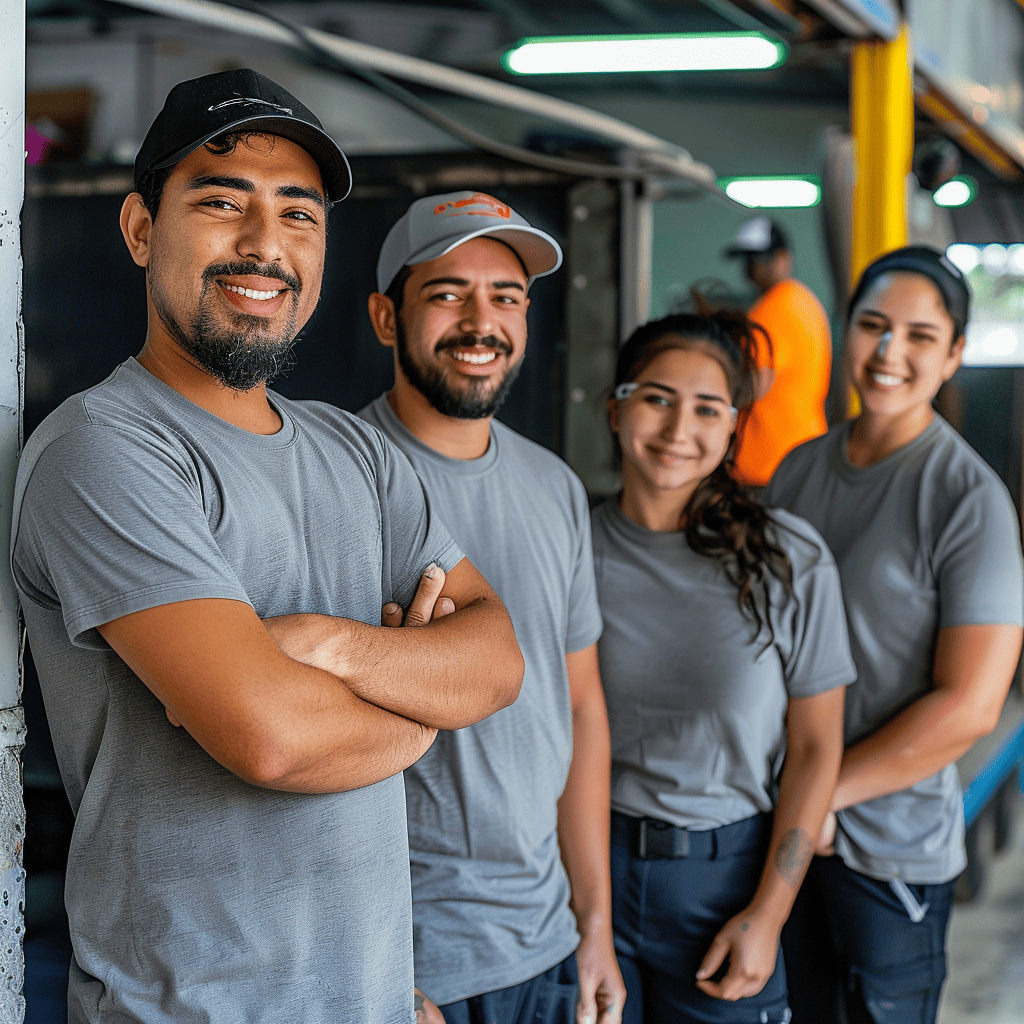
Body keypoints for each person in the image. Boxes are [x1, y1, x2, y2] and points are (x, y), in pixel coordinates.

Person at [10, 70, 524, 1024]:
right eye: (220, 202)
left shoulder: (358, 451)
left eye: (299, 216)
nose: (265, 245)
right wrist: (421, 711)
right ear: (137, 230)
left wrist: (327, 645)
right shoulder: (106, 449)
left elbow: (496, 663)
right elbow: (273, 738)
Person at [360, 191, 626, 1024]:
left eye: (506, 297)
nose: (482, 322)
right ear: (384, 316)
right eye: (447, 294)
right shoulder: (337, 478)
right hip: (408, 960)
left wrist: (596, 926)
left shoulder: (553, 485)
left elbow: (579, 707)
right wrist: (385, 976)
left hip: (546, 945)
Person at [765, 245, 1024, 1024]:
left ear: (953, 355)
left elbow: (971, 706)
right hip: (780, 832)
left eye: (918, 335)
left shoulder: (967, 499)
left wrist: (819, 798)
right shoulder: (798, 472)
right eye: (873, 326)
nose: (889, 352)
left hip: (885, 853)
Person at [593, 307, 856, 1024]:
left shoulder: (786, 558)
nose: (680, 431)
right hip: (581, 871)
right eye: (656, 399)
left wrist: (768, 916)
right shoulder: (569, 541)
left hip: (726, 881)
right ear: (615, 409)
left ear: (734, 426)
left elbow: (815, 746)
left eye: (708, 408)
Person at [724, 216, 831, 486]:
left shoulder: (771, 310)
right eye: (747, 260)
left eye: (759, 259)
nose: (751, 269)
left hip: (767, 467)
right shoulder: (804, 301)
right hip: (802, 458)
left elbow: (750, 385)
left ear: (784, 258)